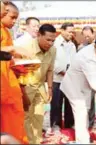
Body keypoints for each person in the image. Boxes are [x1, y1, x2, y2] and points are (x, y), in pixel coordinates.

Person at [20, 24, 56, 144]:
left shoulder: (53, 50)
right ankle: (28, 142)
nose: (50, 43)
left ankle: (37, 141)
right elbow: (17, 73)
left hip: (41, 87)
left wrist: (50, 87)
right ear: (38, 35)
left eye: (53, 40)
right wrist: (23, 93)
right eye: (48, 40)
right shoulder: (25, 48)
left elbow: (50, 70)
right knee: (26, 117)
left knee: (39, 116)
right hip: (26, 87)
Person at [0, 2, 28, 144]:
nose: (14, 21)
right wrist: (11, 49)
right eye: (11, 16)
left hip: (10, 84)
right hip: (4, 88)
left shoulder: (5, 31)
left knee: (15, 121)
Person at [51, 22, 76, 130]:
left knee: (69, 103)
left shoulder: (72, 44)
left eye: (72, 32)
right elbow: (51, 61)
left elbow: (74, 60)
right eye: (69, 31)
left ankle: (69, 124)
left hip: (70, 78)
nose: (71, 34)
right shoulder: (54, 43)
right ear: (62, 30)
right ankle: (55, 124)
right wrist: (62, 71)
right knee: (56, 103)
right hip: (57, 78)